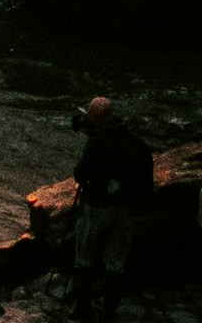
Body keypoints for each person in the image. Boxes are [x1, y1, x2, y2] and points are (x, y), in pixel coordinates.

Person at [69, 96, 162, 309]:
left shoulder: (98, 142)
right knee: (115, 261)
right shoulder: (135, 143)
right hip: (125, 208)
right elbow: (146, 182)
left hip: (98, 206)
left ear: (92, 117)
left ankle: (83, 308)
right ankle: (110, 311)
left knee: (84, 255)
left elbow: (81, 175)